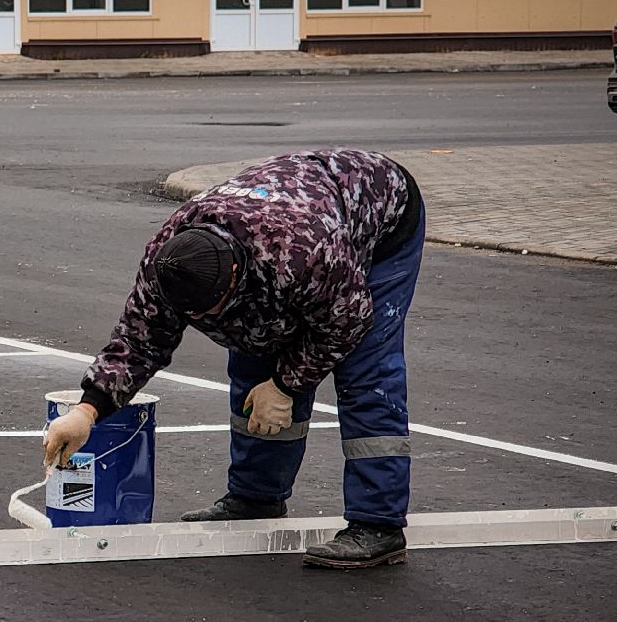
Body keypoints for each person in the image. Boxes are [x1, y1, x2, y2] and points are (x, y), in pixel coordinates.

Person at [43, 149, 425, 569]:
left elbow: (347, 323)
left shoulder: (304, 254)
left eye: (206, 314)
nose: (196, 323)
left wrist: (285, 386)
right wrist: (88, 409)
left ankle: (378, 525)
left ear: (233, 283)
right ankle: (255, 497)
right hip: (292, 211)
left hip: (379, 215)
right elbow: (139, 338)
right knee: (253, 351)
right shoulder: (167, 260)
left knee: (365, 373)